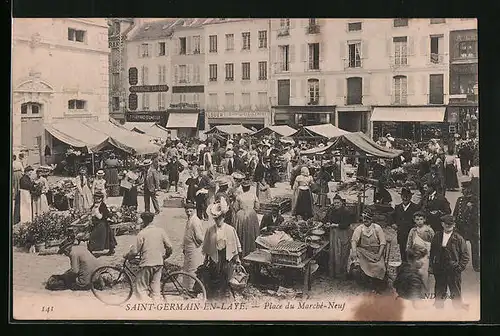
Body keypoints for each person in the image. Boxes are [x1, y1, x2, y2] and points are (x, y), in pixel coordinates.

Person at [125, 212, 173, 301]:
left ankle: (146, 307)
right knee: (156, 288)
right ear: (152, 220)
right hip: (159, 262)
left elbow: (135, 251)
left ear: (143, 221)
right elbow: (169, 246)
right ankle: (156, 304)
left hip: (147, 262)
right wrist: (166, 255)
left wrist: (128, 256)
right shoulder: (160, 231)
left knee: (141, 288)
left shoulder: (142, 233)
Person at [201, 202, 242, 299]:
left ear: (224, 218)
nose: (218, 221)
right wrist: (206, 258)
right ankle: (214, 296)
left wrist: (237, 259)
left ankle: (224, 295)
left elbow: (234, 246)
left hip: (225, 257)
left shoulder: (230, 229)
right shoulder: (210, 230)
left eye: (220, 219)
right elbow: (208, 246)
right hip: (215, 257)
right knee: (214, 276)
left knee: (225, 276)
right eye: (216, 219)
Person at [429, 215, 470, 310]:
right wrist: (432, 266)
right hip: (440, 266)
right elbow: (432, 252)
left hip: (453, 267)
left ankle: (458, 309)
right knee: (439, 288)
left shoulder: (458, 238)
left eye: (450, 224)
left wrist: (460, 267)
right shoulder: (437, 236)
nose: (448, 226)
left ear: (454, 225)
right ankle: (438, 309)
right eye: (446, 224)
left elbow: (465, 255)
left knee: (455, 288)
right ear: (442, 224)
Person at [348, 208, 388, 293]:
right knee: (354, 255)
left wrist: (379, 255)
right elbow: (354, 240)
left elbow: (383, 243)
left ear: (371, 219)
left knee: (380, 267)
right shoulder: (360, 228)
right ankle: (363, 280)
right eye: (364, 218)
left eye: (368, 218)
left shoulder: (377, 228)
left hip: (375, 253)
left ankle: (376, 283)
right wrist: (354, 251)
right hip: (364, 252)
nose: (365, 220)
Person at [323, 194, 353, 278]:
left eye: (338, 203)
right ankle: (333, 272)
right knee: (334, 251)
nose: (336, 204)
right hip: (333, 233)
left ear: (341, 202)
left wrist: (336, 225)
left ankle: (342, 272)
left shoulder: (346, 211)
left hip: (343, 232)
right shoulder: (331, 210)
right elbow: (325, 219)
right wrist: (327, 223)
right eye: (335, 203)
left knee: (342, 252)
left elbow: (347, 224)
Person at [453, 181, 479, 272]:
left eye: (465, 189)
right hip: (461, 227)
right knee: (460, 246)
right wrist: (454, 224)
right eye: (462, 189)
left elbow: (477, 215)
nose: (463, 190)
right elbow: (455, 213)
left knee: (475, 246)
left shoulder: (475, 200)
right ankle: (460, 264)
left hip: (472, 227)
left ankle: (476, 265)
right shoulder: (460, 199)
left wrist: (471, 208)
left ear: (470, 190)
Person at [405, 211, 435, 290]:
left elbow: (434, 242)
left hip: (426, 254)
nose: (419, 221)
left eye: (421, 219)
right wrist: (408, 251)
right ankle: (416, 288)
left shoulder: (429, 230)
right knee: (415, 271)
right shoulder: (413, 231)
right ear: (414, 220)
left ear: (424, 220)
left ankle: (425, 289)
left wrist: (431, 253)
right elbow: (409, 242)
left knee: (424, 272)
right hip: (415, 254)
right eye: (417, 219)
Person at [392, 245, 428, 309]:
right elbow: (417, 303)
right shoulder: (413, 278)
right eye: (425, 258)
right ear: (417, 259)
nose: (425, 262)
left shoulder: (403, 270)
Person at [391, 187, 420, 262]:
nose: (405, 198)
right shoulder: (398, 207)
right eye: (403, 196)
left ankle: (411, 267)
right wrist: (393, 224)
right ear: (401, 197)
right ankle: (404, 266)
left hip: (412, 234)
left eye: (407, 196)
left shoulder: (416, 208)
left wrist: (416, 226)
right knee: (402, 250)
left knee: (411, 252)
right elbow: (391, 217)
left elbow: (420, 219)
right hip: (401, 234)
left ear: (410, 197)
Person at [232, 180, 260, 257]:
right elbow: (257, 207)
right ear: (249, 188)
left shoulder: (239, 196)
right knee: (252, 232)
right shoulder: (253, 195)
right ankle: (251, 249)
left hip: (241, 215)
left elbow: (235, 207)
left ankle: (241, 249)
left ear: (243, 188)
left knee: (240, 232)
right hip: (251, 214)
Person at [182, 202, 205, 289]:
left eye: (190, 211)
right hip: (188, 248)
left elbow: (199, 237)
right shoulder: (190, 220)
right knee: (187, 267)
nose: (188, 213)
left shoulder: (195, 221)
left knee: (192, 268)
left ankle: (192, 288)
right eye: (187, 211)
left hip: (194, 248)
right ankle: (187, 287)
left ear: (194, 210)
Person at [87, 190, 117, 255]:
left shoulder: (102, 205)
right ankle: (91, 249)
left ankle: (111, 249)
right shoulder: (94, 205)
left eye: (99, 198)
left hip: (101, 222)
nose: (97, 200)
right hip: (95, 222)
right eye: (96, 198)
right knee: (91, 234)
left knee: (96, 235)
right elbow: (91, 212)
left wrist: (112, 217)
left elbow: (107, 213)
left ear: (101, 199)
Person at [12, 154, 24, 224]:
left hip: (16, 173)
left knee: (18, 184)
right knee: (15, 185)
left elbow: (22, 168)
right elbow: (22, 169)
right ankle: (16, 193)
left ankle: (17, 193)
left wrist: (22, 173)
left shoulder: (17, 163)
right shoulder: (18, 163)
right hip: (17, 173)